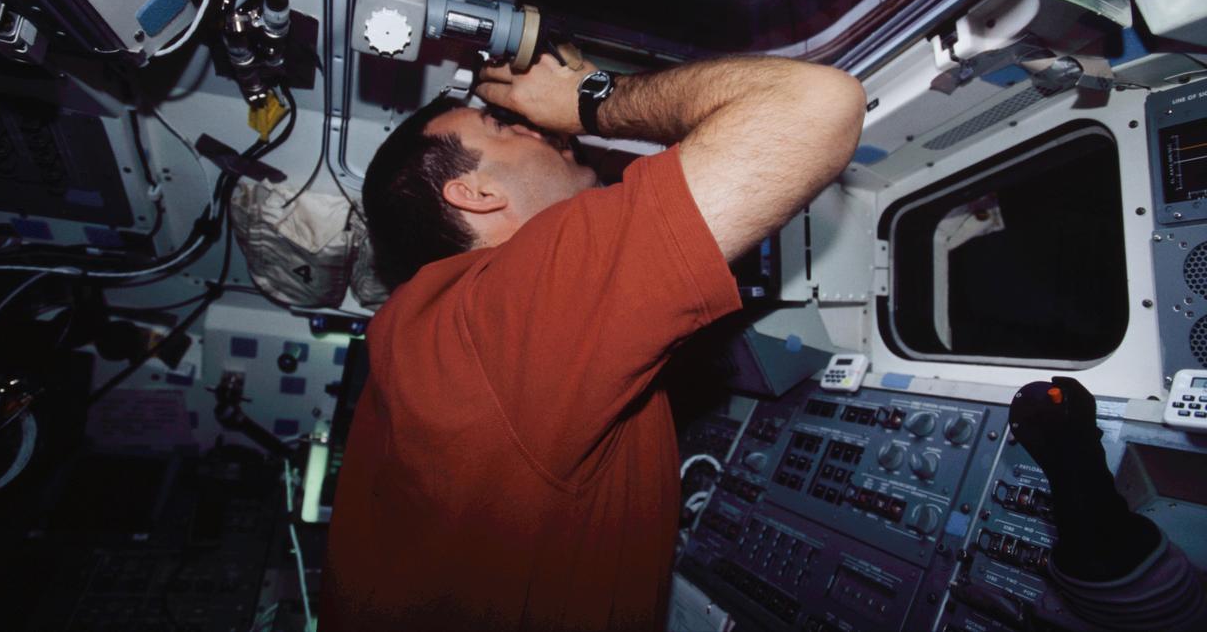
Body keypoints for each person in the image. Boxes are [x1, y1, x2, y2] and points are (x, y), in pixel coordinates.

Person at [320, 44, 866, 631]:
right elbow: (814, 103)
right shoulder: (507, 309)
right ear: (475, 194)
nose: (537, 128)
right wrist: (589, 98)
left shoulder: (440, 339)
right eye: (501, 125)